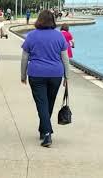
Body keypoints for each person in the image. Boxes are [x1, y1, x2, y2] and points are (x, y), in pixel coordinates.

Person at [20, 10, 69, 147]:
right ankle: (44, 130)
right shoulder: (59, 36)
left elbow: (24, 57)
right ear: (52, 20)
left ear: (39, 20)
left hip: (36, 74)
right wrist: (67, 76)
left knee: (42, 103)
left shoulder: (31, 36)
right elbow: (65, 58)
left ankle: (47, 133)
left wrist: (23, 75)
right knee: (49, 103)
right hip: (55, 74)